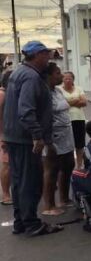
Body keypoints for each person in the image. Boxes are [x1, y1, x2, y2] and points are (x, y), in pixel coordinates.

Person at [3, 41, 61, 236]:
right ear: (37, 55)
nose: (48, 58)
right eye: (46, 54)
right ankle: (31, 223)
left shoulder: (19, 73)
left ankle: (21, 222)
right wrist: (37, 135)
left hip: (15, 137)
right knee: (31, 182)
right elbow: (26, 110)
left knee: (19, 182)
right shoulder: (30, 77)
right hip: (26, 138)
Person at [41, 63, 75, 216]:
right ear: (48, 76)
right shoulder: (43, 91)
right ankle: (49, 205)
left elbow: (65, 104)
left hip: (65, 132)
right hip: (53, 134)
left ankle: (64, 198)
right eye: (57, 73)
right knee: (51, 169)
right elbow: (59, 106)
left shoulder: (57, 90)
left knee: (68, 164)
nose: (61, 76)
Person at [59, 71, 87, 169]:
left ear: (73, 79)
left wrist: (68, 102)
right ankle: (69, 166)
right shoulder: (59, 90)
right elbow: (59, 104)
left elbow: (84, 102)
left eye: (69, 78)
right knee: (68, 145)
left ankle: (79, 165)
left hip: (79, 119)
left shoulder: (79, 89)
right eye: (65, 78)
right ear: (62, 79)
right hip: (66, 121)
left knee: (80, 144)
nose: (67, 80)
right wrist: (75, 100)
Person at [0, 70, 12, 206]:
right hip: (5, 135)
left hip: (9, 134)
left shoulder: (7, 94)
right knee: (6, 165)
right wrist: (3, 136)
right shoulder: (2, 94)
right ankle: (5, 195)